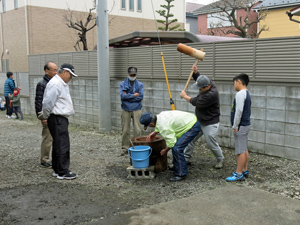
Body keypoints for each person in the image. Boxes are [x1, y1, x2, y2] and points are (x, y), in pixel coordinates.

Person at [180, 65, 224, 169]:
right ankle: (186, 158)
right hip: (200, 120)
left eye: (200, 88)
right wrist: (196, 73)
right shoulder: (208, 83)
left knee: (211, 143)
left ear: (207, 86)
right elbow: (200, 80)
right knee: (190, 139)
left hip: (210, 122)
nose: (199, 89)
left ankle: (220, 159)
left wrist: (185, 96)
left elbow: (196, 102)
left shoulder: (211, 94)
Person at [140, 110, 201, 182]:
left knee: (177, 148)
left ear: (151, 124)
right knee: (176, 147)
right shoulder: (160, 115)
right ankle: (177, 166)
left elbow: (172, 142)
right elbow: (160, 124)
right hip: (190, 119)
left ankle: (181, 173)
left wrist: (165, 150)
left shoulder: (163, 127)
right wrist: (154, 133)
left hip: (192, 126)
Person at [41, 63, 78, 180]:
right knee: (62, 144)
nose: (70, 78)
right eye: (70, 75)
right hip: (57, 118)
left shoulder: (59, 83)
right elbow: (47, 102)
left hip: (58, 117)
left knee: (58, 143)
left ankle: (57, 169)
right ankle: (62, 171)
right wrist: (45, 116)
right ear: (65, 72)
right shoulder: (56, 83)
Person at [226, 74, 251, 182]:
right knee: (244, 148)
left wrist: (235, 126)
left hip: (240, 126)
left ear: (239, 82)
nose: (234, 85)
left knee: (240, 150)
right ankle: (244, 170)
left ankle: (239, 173)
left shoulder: (240, 94)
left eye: (234, 83)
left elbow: (239, 111)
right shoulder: (246, 93)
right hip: (245, 124)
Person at [35, 62, 57, 168]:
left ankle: (53, 158)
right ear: (46, 71)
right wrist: (42, 116)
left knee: (54, 137)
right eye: (53, 70)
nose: (56, 72)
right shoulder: (42, 84)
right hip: (47, 115)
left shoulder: (55, 82)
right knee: (47, 137)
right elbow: (38, 101)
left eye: (57, 70)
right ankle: (44, 159)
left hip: (54, 114)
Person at [120, 67, 144, 155]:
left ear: (136, 74)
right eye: (131, 75)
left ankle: (137, 147)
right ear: (128, 74)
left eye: (134, 75)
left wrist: (128, 96)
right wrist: (134, 95)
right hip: (125, 109)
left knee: (137, 129)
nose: (132, 76)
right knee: (125, 130)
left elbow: (140, 97)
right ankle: (125, 148)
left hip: (137, 109)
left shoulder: (140, 84)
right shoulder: (122, 84)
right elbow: (122, 96)